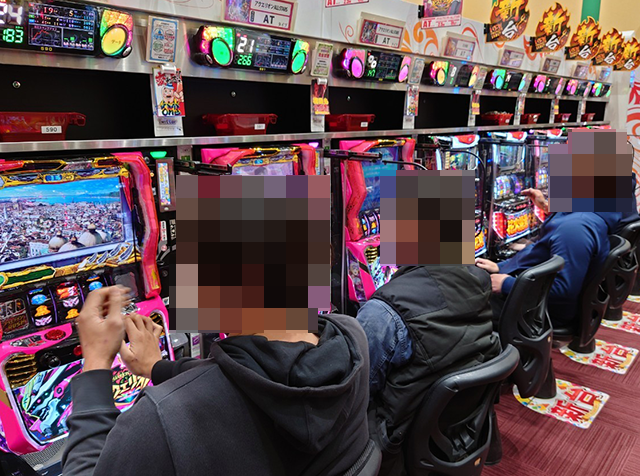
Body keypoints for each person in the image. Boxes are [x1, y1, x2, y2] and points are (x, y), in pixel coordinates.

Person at [62, 286, 372, 476]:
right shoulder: (352, 337)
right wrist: (156, 368)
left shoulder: (159, 421)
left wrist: (95, 362)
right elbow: (251, 374)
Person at [355, 265, 501, 476]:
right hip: (455, 427)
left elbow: (355, 394)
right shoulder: (479, 279)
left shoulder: (381, 312)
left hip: (399, 439)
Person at [476, 188, 640, 326]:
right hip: (533, 291)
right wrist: (501, 266)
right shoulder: (587, 213)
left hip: (539, 310)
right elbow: (542, 250)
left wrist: (506, 284)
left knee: (467, 302)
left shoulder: (576, 228)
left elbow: (562, 291)